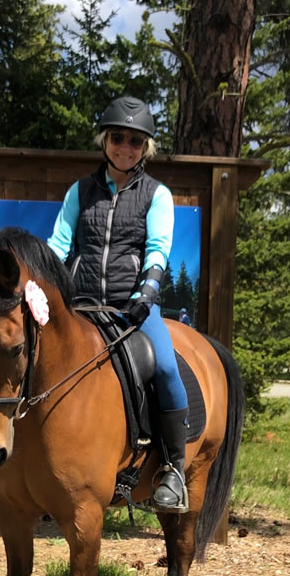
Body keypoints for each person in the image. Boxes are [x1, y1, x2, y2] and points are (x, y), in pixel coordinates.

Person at [49, 96, 189, 511]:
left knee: (164, 365)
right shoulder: (80, 191)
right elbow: (59, 244)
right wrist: (41, 283)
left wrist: (147, 293)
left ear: (145, 147)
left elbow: (158, 249)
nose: (124, 147)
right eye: (117, 138)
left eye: (134, 140)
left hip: (133, 308)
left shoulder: (157, 195)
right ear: (105, 141)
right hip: (82, 304)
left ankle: (174, 468)